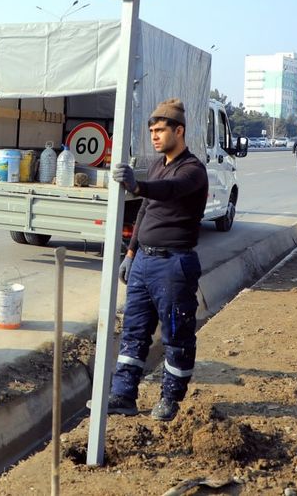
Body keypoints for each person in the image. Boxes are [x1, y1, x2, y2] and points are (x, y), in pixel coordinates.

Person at [107, 98, 208, 422]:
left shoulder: (192, 170)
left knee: (176, 335)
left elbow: (169, 190)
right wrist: (131, 253)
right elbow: (146, 212)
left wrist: (137, 185)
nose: (154, 136)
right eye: (151, 130)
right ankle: (123, 395)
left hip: (174, 266)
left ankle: (169, 398)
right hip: (143, 263)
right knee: (133, 331)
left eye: (160, 130)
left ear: (179, 131)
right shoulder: (157, 165)